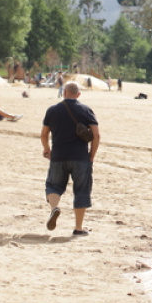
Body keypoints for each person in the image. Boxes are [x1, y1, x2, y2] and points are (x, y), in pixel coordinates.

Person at [42, 81, 100, 236]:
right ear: (78, 95)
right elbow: (96, 135)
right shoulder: (86, 110)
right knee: (81, 191)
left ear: (64, 92)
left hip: (58, 156)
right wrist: (91, 156)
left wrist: (47, 148)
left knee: (53, 186)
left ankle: (54, 208)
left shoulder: (52, 110)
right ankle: (78, 228)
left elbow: (44, 134)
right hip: (80, 157)